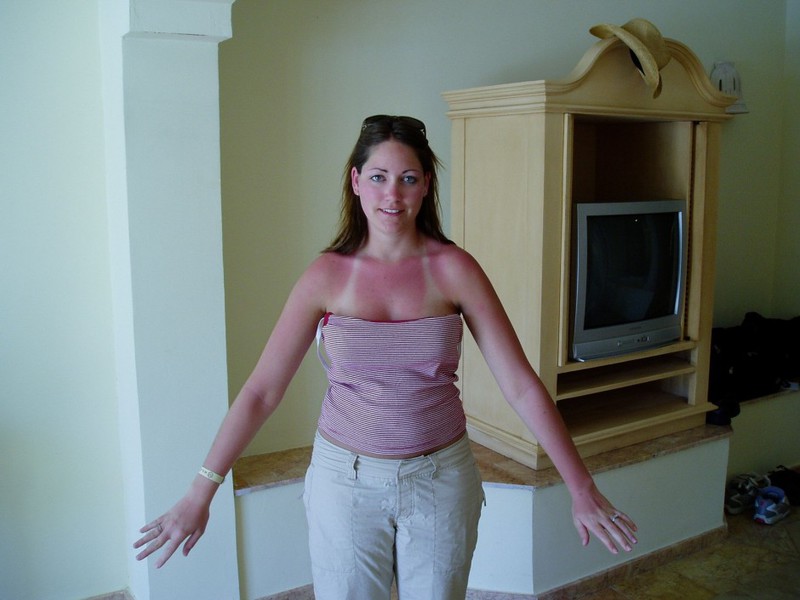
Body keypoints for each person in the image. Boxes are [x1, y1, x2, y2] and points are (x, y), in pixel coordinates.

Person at [134, 114, 638, 599]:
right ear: (356, 182)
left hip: (441, 480)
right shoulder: (325, 276)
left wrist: (580, 487)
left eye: (407, 178)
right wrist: (201, 491)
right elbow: (262, 392)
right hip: (344, 484)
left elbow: (521, 386)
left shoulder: (456, 270)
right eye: (378, 177)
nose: (392, 194)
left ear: (425, 186)